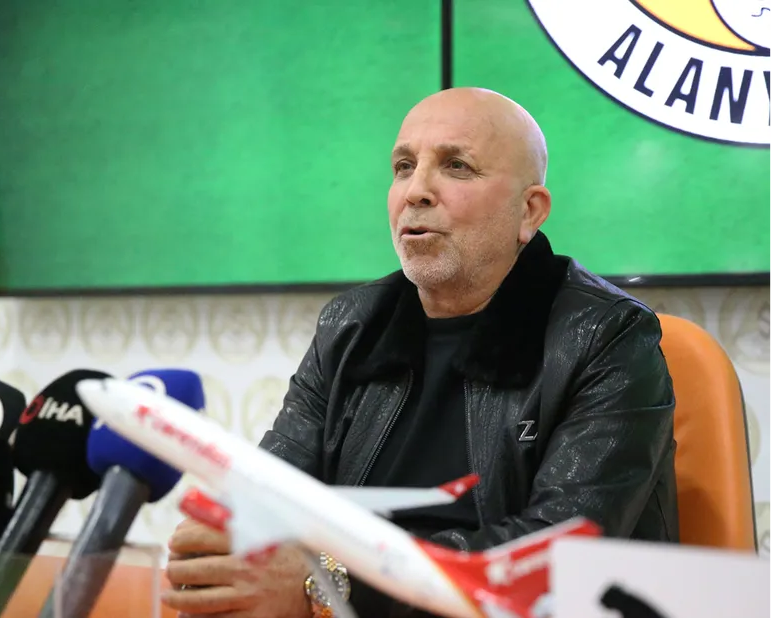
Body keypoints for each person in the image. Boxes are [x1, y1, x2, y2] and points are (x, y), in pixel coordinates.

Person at [162, 87, 679, 618]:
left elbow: (554, 557)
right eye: (404, 167)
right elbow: (270, 494)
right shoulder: (350, 326)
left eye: (457, 167)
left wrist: (330, 583)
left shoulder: (607, 335)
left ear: (529, 211)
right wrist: (228, 552)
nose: (416, 191)